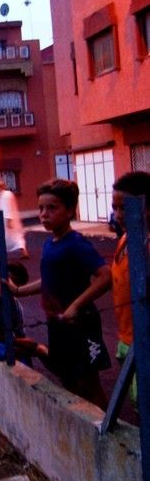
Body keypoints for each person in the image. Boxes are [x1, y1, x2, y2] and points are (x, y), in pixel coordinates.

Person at [5, 178, 111, 409]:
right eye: (41, 208)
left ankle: (105, 431)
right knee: (68, 378)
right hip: (58, 324)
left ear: (71, 210)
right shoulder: (50, 243)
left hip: (81, 324)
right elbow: (49, 281)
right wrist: (18, 291)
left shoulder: (76, 243)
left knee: (89, 383)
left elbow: (105, 276)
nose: (44, 214)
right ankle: (83, 425)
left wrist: (75, 306)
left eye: (52, 208)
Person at [111, 171, 150, 403]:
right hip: (127, 337)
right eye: (114, 208)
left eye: (124, 208)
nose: (117, 215)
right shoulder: (127, 239)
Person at [0, 180, 29, 260]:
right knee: (16, 236)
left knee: (1, 236)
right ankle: (24, 252)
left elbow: (6, 208)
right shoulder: (6, 194)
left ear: (2, 186)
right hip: (9, 218)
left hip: (5, 219)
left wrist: (9, 219)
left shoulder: (5, 195)